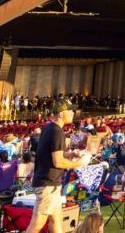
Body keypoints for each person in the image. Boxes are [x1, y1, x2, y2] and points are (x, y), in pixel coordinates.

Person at [26, 98, 90, 233]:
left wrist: (70, 154)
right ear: (61, 114)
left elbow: (50, 154)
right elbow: (58, 162)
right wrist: (79, 163)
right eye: (70, 110)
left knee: (56, 219)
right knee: (37, 224)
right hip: (47, 184)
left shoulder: (49, 128)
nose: (73, 113)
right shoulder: (57, 132)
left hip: (49, 183)